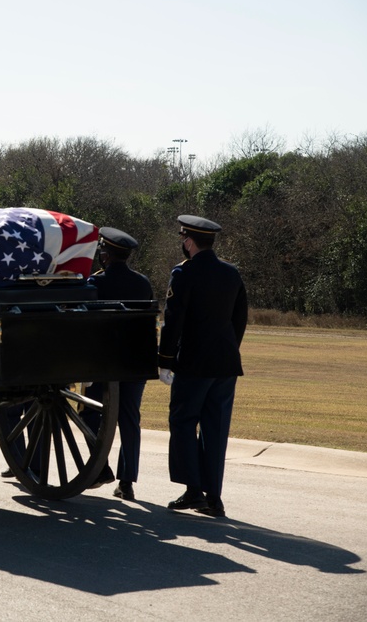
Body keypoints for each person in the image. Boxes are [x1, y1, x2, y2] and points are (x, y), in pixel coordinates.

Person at [159, 215, 248, 518]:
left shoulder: (184, 274)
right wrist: (227, 349)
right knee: (215, 428)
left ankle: (193, 491)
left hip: (194, 363)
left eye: (183, 237)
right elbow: (239, 320)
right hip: (225, 362)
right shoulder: (231, 273)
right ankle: (214, 497)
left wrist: (165, 360)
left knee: (183, 422)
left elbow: (173, 322)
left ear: (189, 240)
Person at [82, 227, 154, 501]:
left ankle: (101, 467)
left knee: (90, 415)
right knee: (129, 420)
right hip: (134, 363)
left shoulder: (96, 283)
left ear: (105, 255)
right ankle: (127, 482)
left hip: (104, 363)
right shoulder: (142, 282)